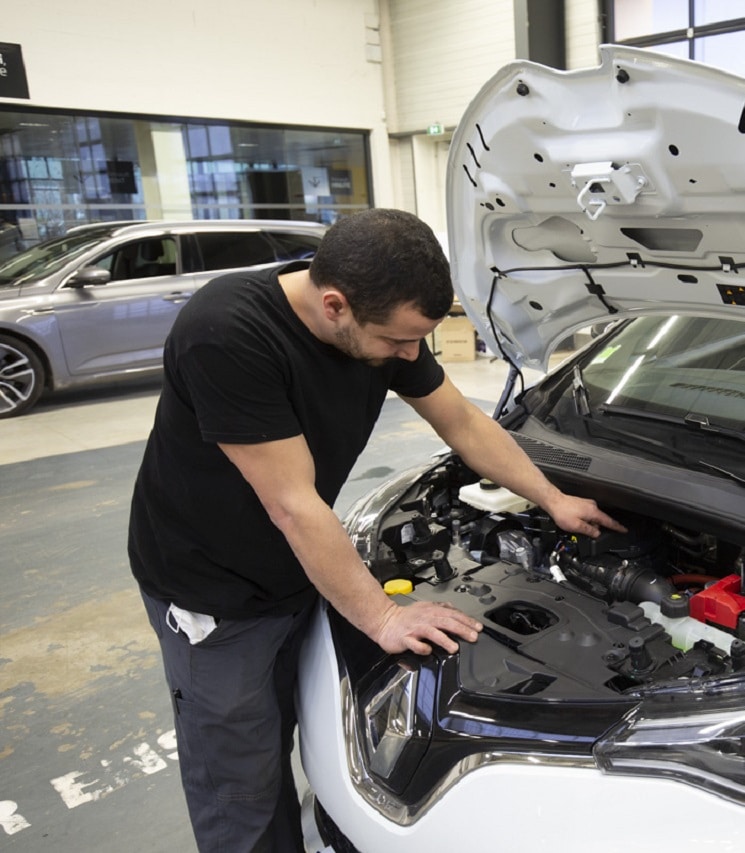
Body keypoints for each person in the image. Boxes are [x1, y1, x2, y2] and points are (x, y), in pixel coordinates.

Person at [127, 208, 623, 852]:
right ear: (335, 305)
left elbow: (464, 424)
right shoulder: (227, 333)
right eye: (398, 342)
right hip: (216, 590)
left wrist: (552, 499)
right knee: (240, 780)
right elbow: (293, 506)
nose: (409, 357)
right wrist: (383, 619)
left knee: (317, 730)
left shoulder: (380, 319)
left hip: (304, 569)